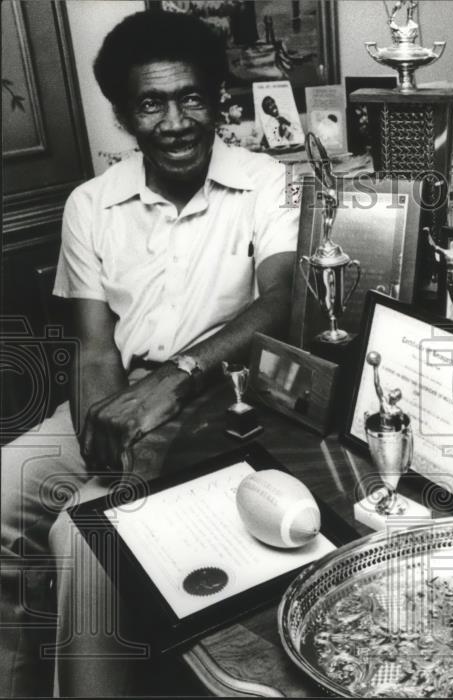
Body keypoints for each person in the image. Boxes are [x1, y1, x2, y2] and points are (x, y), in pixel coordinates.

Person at [0, 11, 299, 696]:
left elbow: (278, 301)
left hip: (217, 402)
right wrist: (105, 434)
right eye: (151, 104)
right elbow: (94, 346)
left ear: (217, 97)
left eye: (191, 97)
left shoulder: (265, 183)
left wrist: (173, 381)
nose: (176, 122)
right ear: (124, 115)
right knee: (4, 493)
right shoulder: (91, 204)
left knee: (89, 536)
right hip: (115, 393)